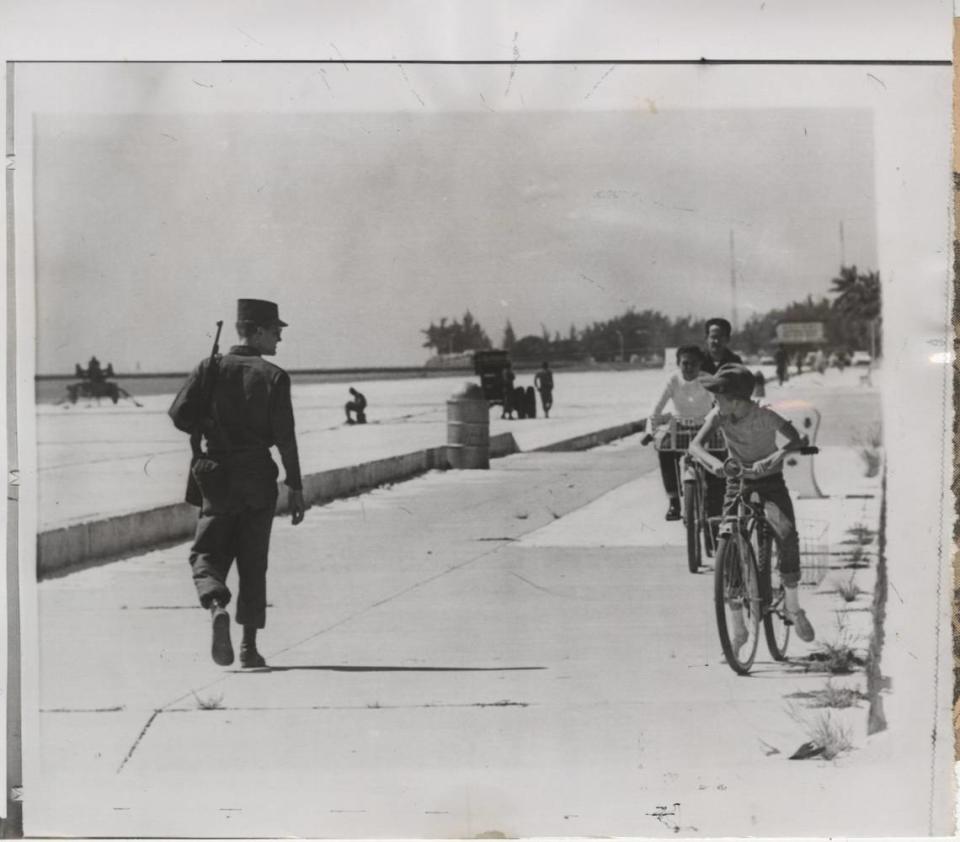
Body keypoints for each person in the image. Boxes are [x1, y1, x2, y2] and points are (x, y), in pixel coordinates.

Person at [168, 298, 306, 669]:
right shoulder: (274, 376)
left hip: (217, 477)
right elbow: (286, 437)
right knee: (253, 562)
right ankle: (248, 648)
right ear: (257, 330)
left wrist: (208, 422)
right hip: (258, 477)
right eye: (275, 330)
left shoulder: (209, 367)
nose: (279, 337)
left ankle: (215, 604)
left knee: (207, 554)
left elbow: (179, 416)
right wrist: (295, 484)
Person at [689, 363, 815, 648]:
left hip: (770, 482)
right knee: (730, 543)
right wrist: (716, 465)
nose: (714, 402)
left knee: (786, 534)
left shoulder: (765, 416)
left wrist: (774, 457)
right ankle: (739, 628)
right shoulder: (718, 416)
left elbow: (796, 438)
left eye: (718, 396)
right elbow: (695, 446)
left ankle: (793, 608)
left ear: (735, 400)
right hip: (737, 481)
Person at [646, 345, 724, 521]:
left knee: (719, 455)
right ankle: (674, 501)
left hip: (705, 425)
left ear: (701, 364)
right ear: (678, 363)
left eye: (693, 364)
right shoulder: (672, 380)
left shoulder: (707, 380)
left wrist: (718, 420)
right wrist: (650, 431)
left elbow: (720, 403)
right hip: (679, 424)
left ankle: (717, 503)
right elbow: (656, 407)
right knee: (664, 452)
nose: (688, 368)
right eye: (685, 363)